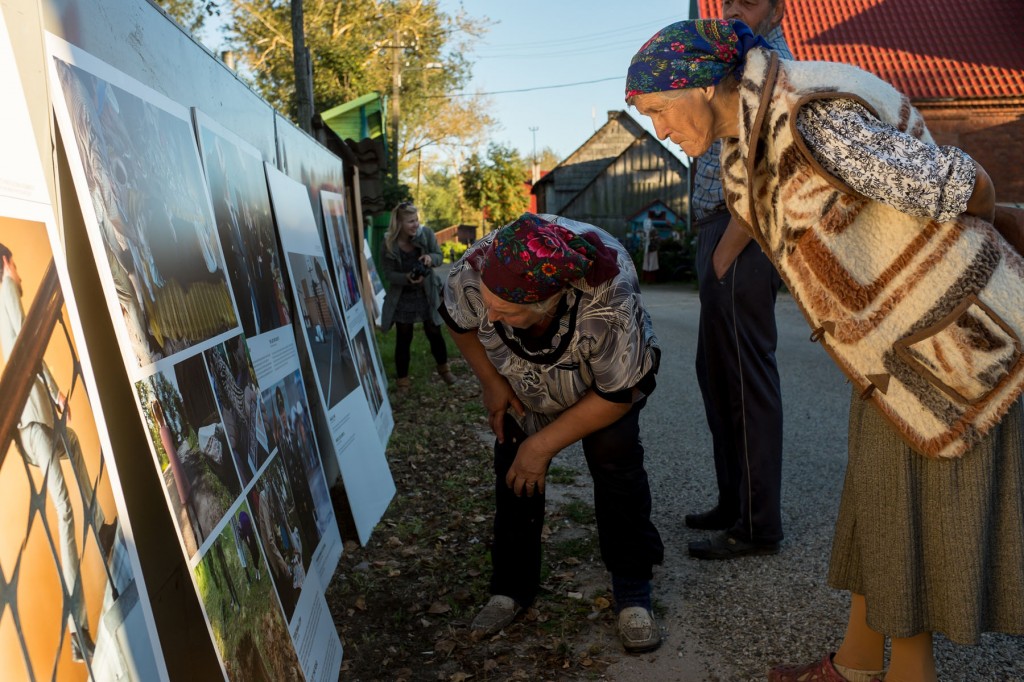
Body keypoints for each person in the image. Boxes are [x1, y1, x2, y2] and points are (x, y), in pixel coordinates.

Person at [627, 18, 1024, 682]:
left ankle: (905, 675)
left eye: (658, 112)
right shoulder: (754, 136)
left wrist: (991, 235)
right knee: (876, 499)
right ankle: (858, 662)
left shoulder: (808, 118)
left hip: (949, 348)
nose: (661, 131)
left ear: (699, 85)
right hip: (898, 351)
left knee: (909, 515)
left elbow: (956, 185)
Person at [441, 213, 664, 653]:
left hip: (601, 381)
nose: (490, 314)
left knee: (614, 457)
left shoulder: (609, 294)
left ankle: (633, 589)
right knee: (512, 458)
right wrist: (492, 383)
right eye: (488, 303)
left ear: (545, 303)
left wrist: (541, 447)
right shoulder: (475, 267)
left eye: (504, 309)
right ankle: (511, 587)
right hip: (523, 376)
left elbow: (617, 394)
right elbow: (459, 320)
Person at [687, 0, 792, 561]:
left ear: (778, 11)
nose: (732, 9)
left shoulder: (769, 69)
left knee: (747, 380)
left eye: (747, 1)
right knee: (717, 374)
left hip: (738, 236)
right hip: (716, 232)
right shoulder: (734, 62)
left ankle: (757, 524)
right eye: (727, 0)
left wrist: (728, 248)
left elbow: (773, 167)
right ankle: (734, 503)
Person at [0, 244, 111, 662]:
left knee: (77, 446)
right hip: (32, 419)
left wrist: (54, 393)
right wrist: (56, 390)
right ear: (5, 264)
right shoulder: (6, 292)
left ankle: (100, 529)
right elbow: (27, 352)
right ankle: (76, 629)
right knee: (63, 510)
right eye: (13, 263)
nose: (20, 273)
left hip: (37, 418)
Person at [380, 202, 456, 393]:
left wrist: (430, 258)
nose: (415, 225)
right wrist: (406, 278)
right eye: (410, 221)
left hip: (426, 292)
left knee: (434, 331)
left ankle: (444, 370)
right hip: (402, 295)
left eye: (417, 220)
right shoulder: (389, 244)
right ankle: (403, 382)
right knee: (404, 336)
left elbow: (439, 256)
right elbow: (388, 274)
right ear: (399, 223)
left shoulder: (427, 234)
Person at [640, 212, 659, 284]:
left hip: (652, 249)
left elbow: (656, 240)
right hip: (646, 250)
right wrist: (643, 246)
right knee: (646, 264)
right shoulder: (644, 231)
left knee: (652, 264)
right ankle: (646, 279)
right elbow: (642, 240)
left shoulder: (654, 230)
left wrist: (651, 242)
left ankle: (651, 280)